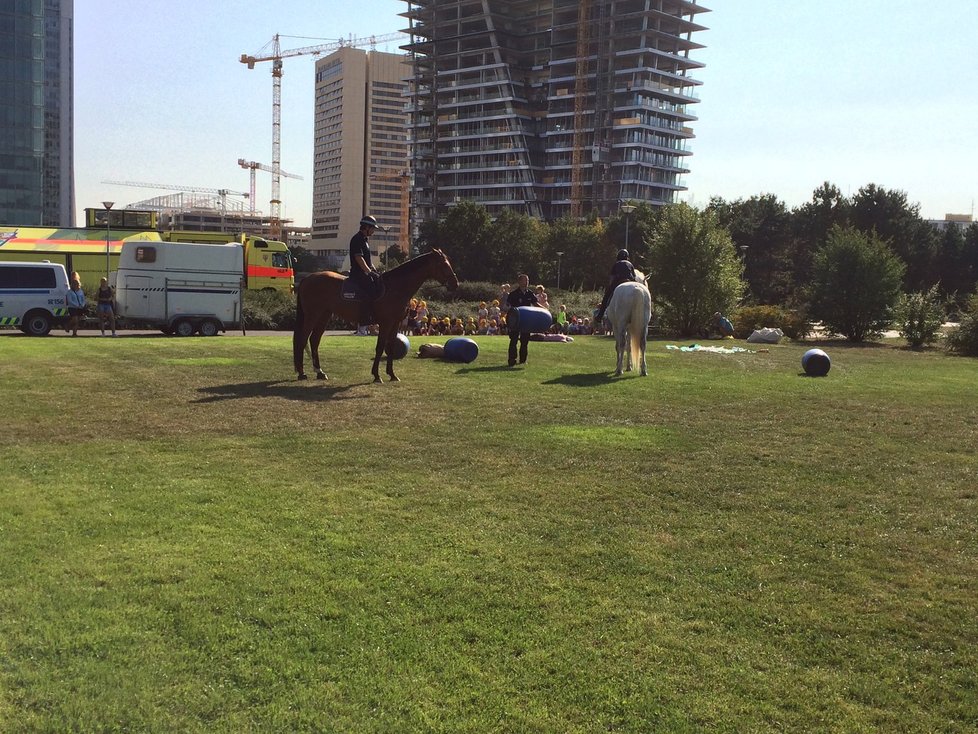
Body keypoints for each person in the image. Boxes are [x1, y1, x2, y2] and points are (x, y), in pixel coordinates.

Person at [348, 214, 384, 325]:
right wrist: (369, 272)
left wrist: (374, 271)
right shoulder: (357, 239)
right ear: (367, 227)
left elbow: (368, 261)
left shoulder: (365, 240)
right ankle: (364, 318)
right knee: (371, 290)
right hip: (358, 273)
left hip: (365, 272)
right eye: (373, 228)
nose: (373, 231)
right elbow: (359, 258)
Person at [595, 248, 637, 322]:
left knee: (606, 297)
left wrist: (610, 286)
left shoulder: (616, 264)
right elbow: (634, 276)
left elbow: (612, 277)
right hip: (630, 281)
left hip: (619, 281)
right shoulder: (630, 264)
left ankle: (600, 316)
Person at [506, 273, 538, 366]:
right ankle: (512, 360)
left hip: (526, 321)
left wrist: (544, 309)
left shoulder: (530, 293)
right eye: (525, 280)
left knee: (525, 341)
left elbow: (535, 304)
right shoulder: (513, 294)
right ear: (519, 282)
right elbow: (507, 305)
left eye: (528, 280)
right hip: (515, 321)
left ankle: (523, 360)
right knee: (514, 340)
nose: (527, 282)